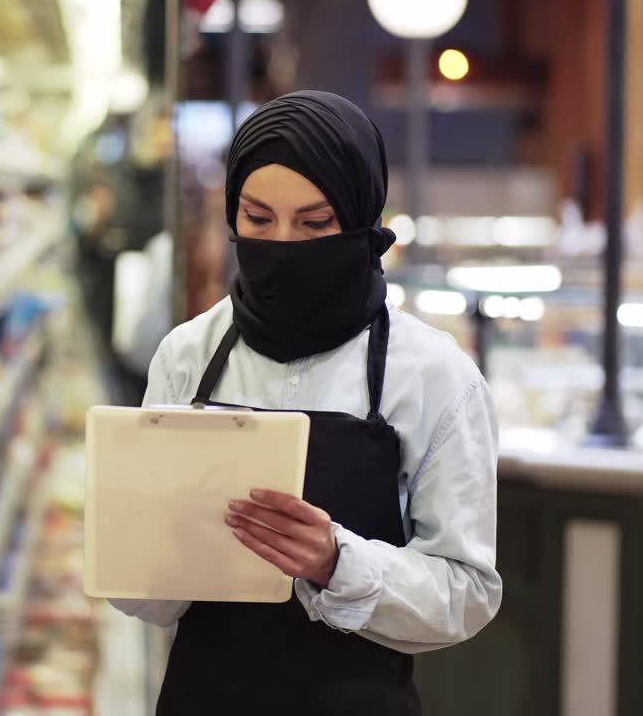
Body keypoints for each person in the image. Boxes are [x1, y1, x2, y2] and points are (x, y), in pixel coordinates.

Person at [109, 90, 502, 715]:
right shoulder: (187, 356)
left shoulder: (434, 377)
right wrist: (135, 544)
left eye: (315, 224)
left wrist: (336, 562)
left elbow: (468, 591)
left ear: (361, 223)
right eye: (257, 220)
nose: (283, 243)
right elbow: (145, 598)